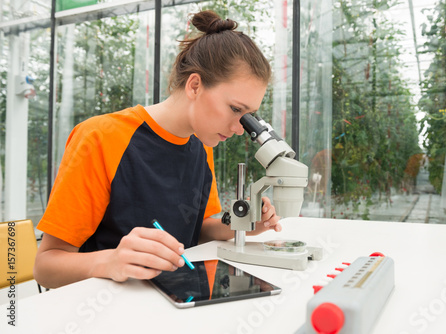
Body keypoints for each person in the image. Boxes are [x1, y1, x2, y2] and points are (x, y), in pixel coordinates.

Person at [34, 10, 281, 289]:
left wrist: (243, 222)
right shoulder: (100, 137)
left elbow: (198, 228)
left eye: (248, 116)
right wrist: (110, 261)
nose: (240, 128)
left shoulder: (201, 145)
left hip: (173, 303)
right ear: (195, 85)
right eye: (236, 109)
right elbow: (46, 267)